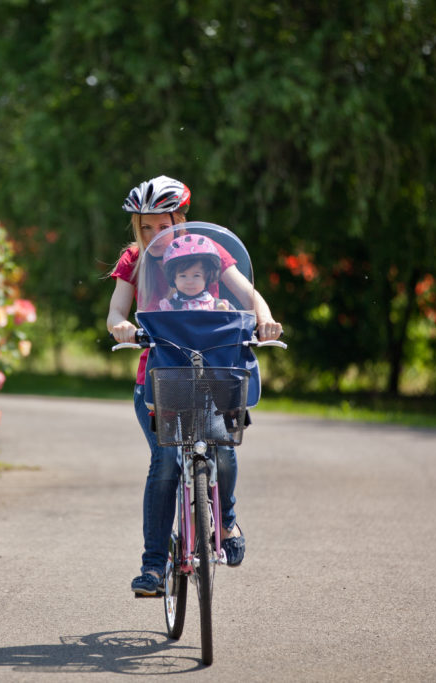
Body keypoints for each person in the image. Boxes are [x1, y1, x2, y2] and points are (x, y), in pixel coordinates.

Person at [106, 174, 283, 597]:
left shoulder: (208, 252)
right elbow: (115, 311)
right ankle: (152, 568)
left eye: (161, 226)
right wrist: (122, 327)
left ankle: (227, 519)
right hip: (159, 375)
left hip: (212, 373)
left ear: (181, 219)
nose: (152, 235)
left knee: (222, 446)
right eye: (144, 227)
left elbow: (248, 294)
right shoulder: (134, 260)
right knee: (165, 464)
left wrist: (264, 318)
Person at [157, 235, 234, 311]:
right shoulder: (168, 308)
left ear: (207, 277)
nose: (189, 282)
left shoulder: (219, 307)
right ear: (173, 278)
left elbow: (238, 322)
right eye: (183, 276)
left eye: (196, 275)